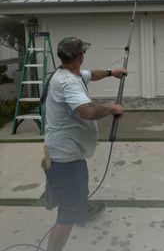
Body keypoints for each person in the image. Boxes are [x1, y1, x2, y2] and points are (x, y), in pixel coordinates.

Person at [43, 37, 126, 251]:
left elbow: (91, 74)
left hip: (66, 155)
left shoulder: (69, 73)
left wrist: (111, 72)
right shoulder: (67, 83)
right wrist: (111, 108)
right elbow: (87, 111)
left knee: (76, 187)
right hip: (64, 159)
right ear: (80, 56)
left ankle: (81, 205)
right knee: (67, 216)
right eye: (83, 53)